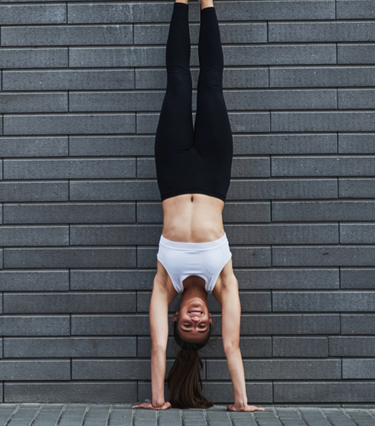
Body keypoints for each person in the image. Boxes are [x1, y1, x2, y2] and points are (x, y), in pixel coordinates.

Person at [133, 0, 263, 412]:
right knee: (210, 83)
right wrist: (241, 403)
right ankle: (207, 3)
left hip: (171, 170)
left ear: (175, 320)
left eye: (186, 326)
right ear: (210, 318)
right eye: (201, 325)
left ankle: (180, 2)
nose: (194, 320)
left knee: (176, 82)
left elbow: (157, 346)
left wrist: (158, 399)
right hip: (212, 168)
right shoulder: (223, 284)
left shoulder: (164, 284)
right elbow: (232, 344)